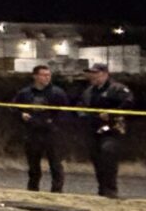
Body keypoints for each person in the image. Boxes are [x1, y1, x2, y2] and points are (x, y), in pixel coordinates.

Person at [77, 61, 134, 198]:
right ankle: (102, 189)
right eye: (91, 73)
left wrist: (112, 114)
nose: (93, 76)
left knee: (108, 154)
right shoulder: (89, 91)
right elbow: (81, 106)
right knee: (97, 159)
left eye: (96, 73)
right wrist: (83, 115)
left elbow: (128, 103)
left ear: (105, 74)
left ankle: (111, 190)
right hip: (94, 129)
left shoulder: (117, 89)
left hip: (112, 129)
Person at [12, 64, 69, 192]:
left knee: (55, 163)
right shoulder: (25, 93)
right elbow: (14, 108)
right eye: (43, 75)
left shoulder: (57, 93)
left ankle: (57, 190)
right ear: (35, 76)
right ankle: (33, 189)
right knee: (33, 165)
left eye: (49, 75)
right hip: (32, 132)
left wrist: (55, 123)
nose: (47, 78)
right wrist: (21, 115)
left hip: (52, 133)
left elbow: (65, 111)